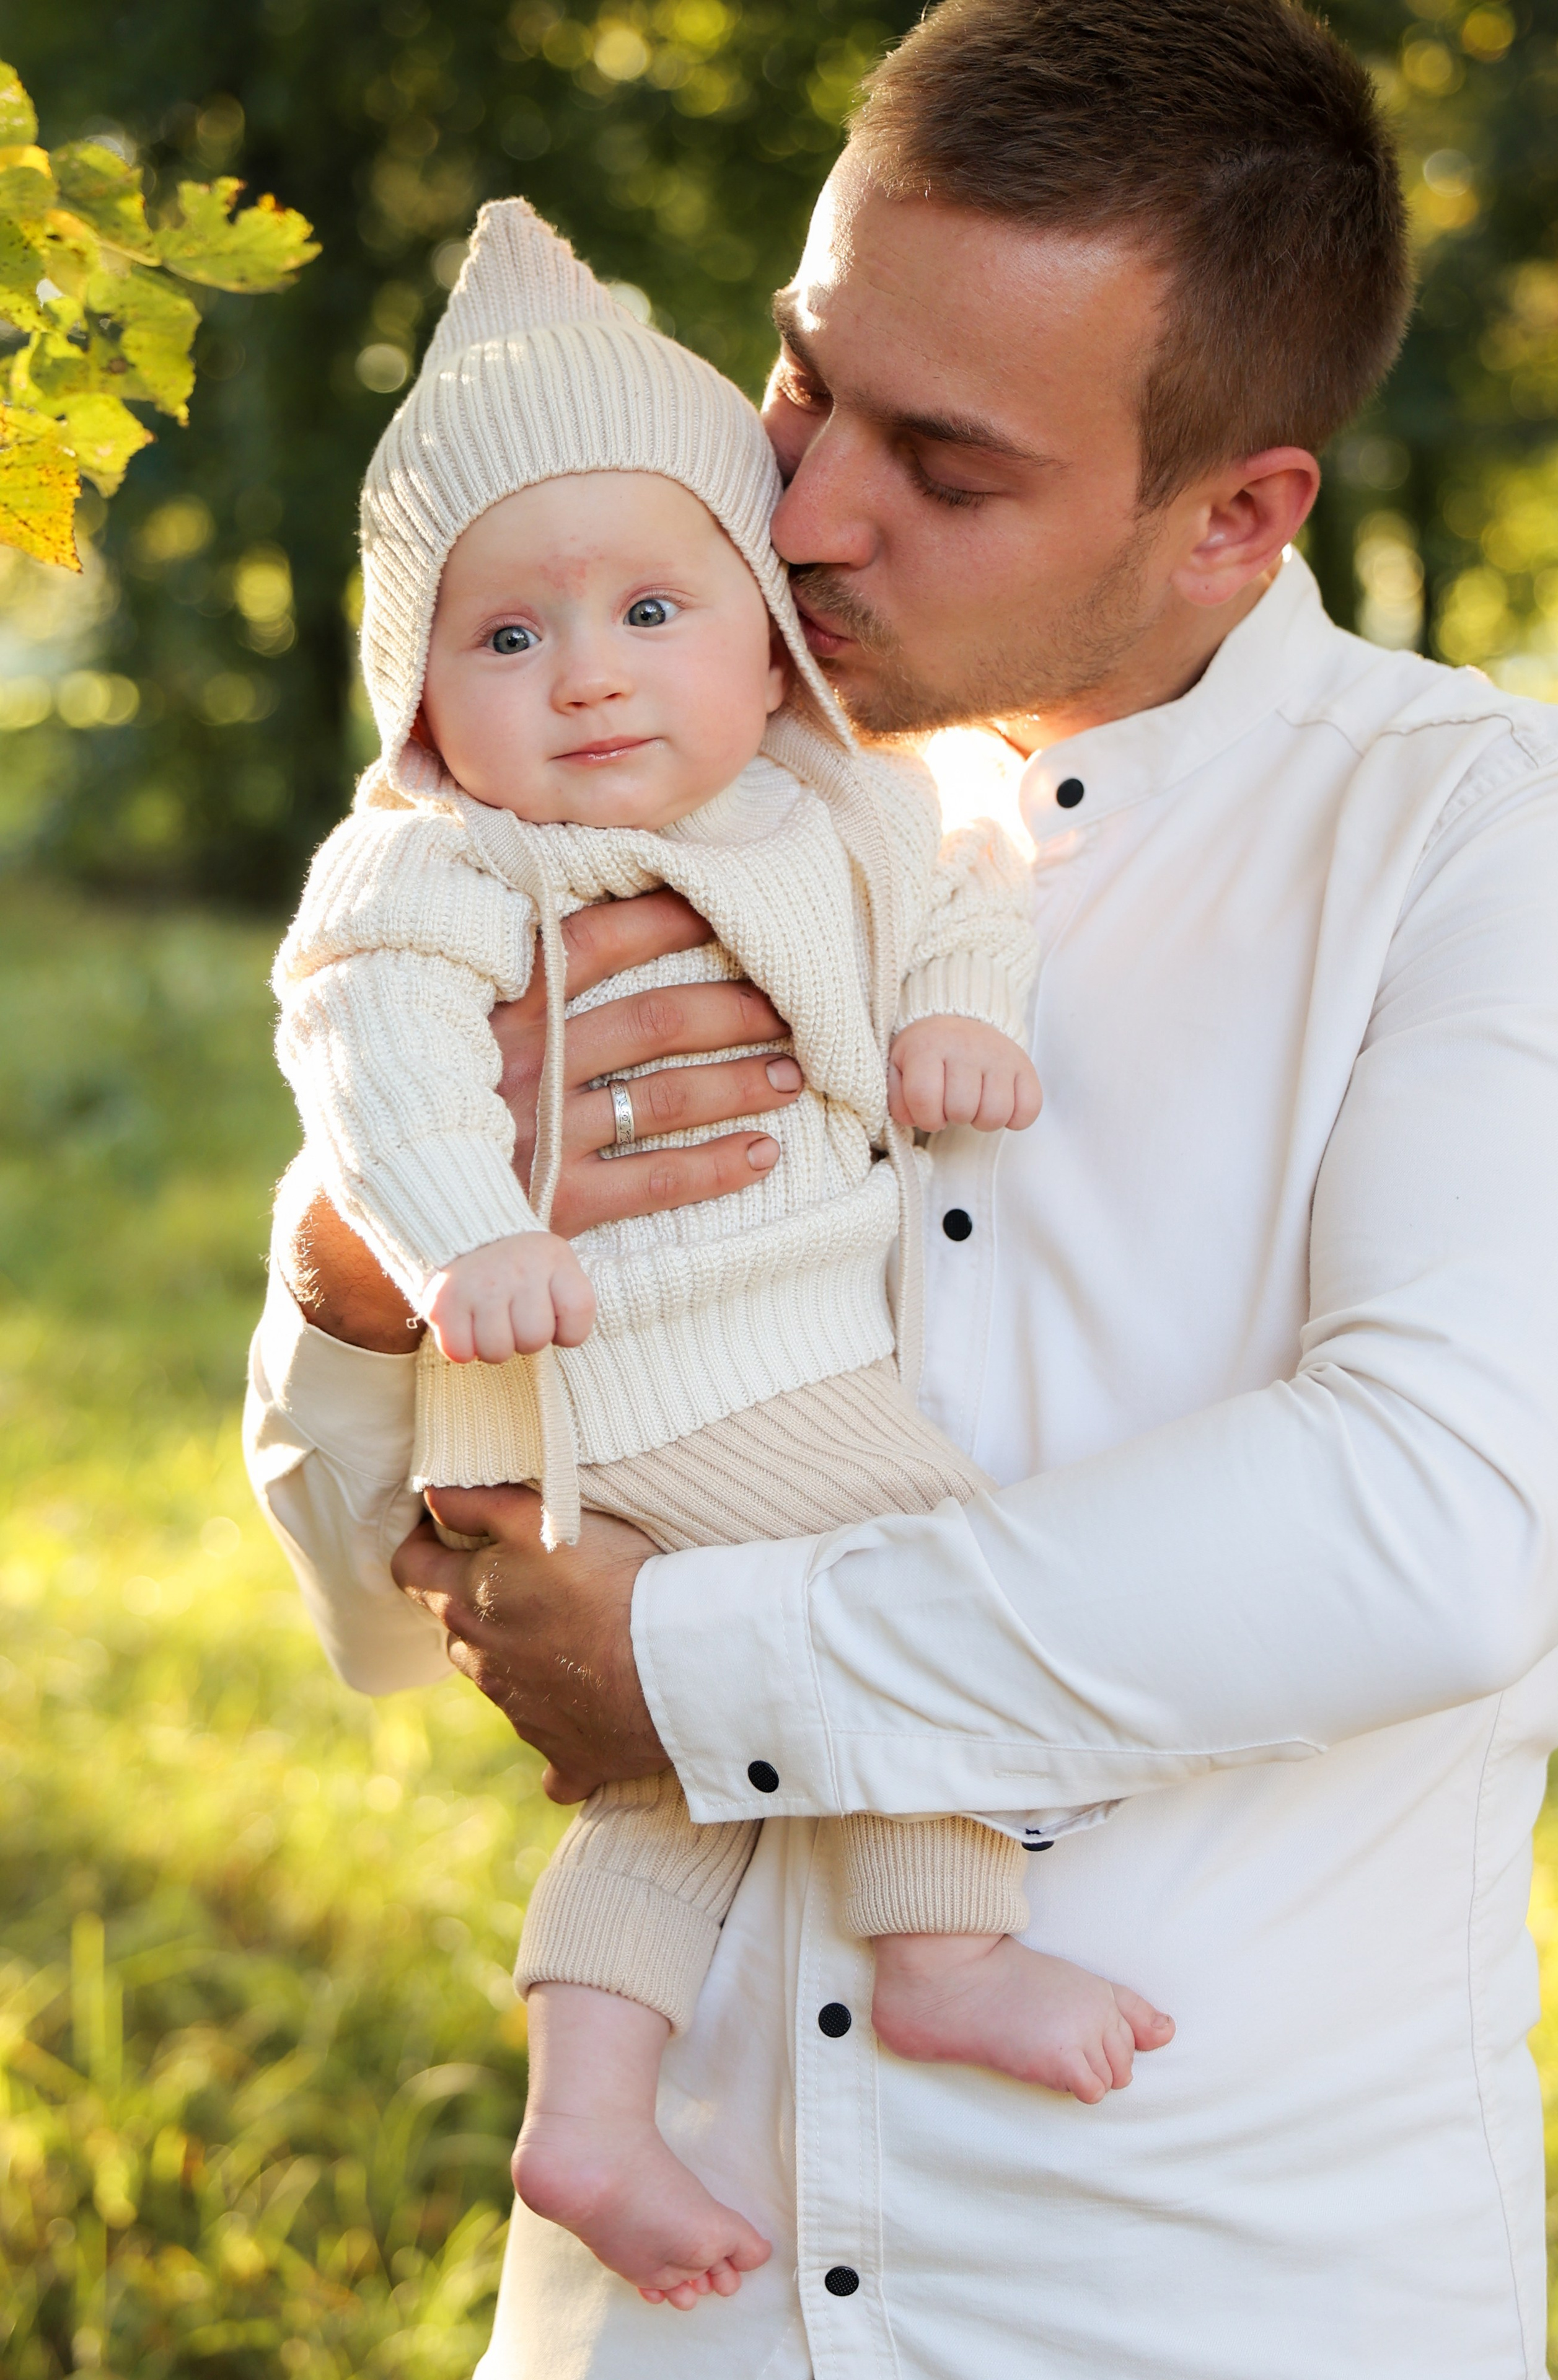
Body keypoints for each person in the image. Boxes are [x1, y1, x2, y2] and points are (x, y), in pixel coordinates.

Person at [245, 1, 1558, 2374]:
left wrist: (695, 1669)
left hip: (1193, 2297)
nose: (801, 516)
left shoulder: (1491, 842)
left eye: (944, 469)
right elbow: (382, 1617)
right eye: (802, 385)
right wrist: (367, 1275)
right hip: (675, 2309)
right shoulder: (607, 784)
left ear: (1238, 514)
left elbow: (1432, 1523)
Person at [268, 195, 1171, 2314]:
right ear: (421, 704)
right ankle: (947, 1947)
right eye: (507, 639)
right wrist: (457, 1237)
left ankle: (589, 2108)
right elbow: (373, 1056)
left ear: (765, 635)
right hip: (628, 1366)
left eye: (651, 607)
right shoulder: (443, 867)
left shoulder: (831, 801)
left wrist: (959, 1014)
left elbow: (964, 889)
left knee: (687, 1775)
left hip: (742, 1354)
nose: (586, 672)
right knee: (926, 1566)